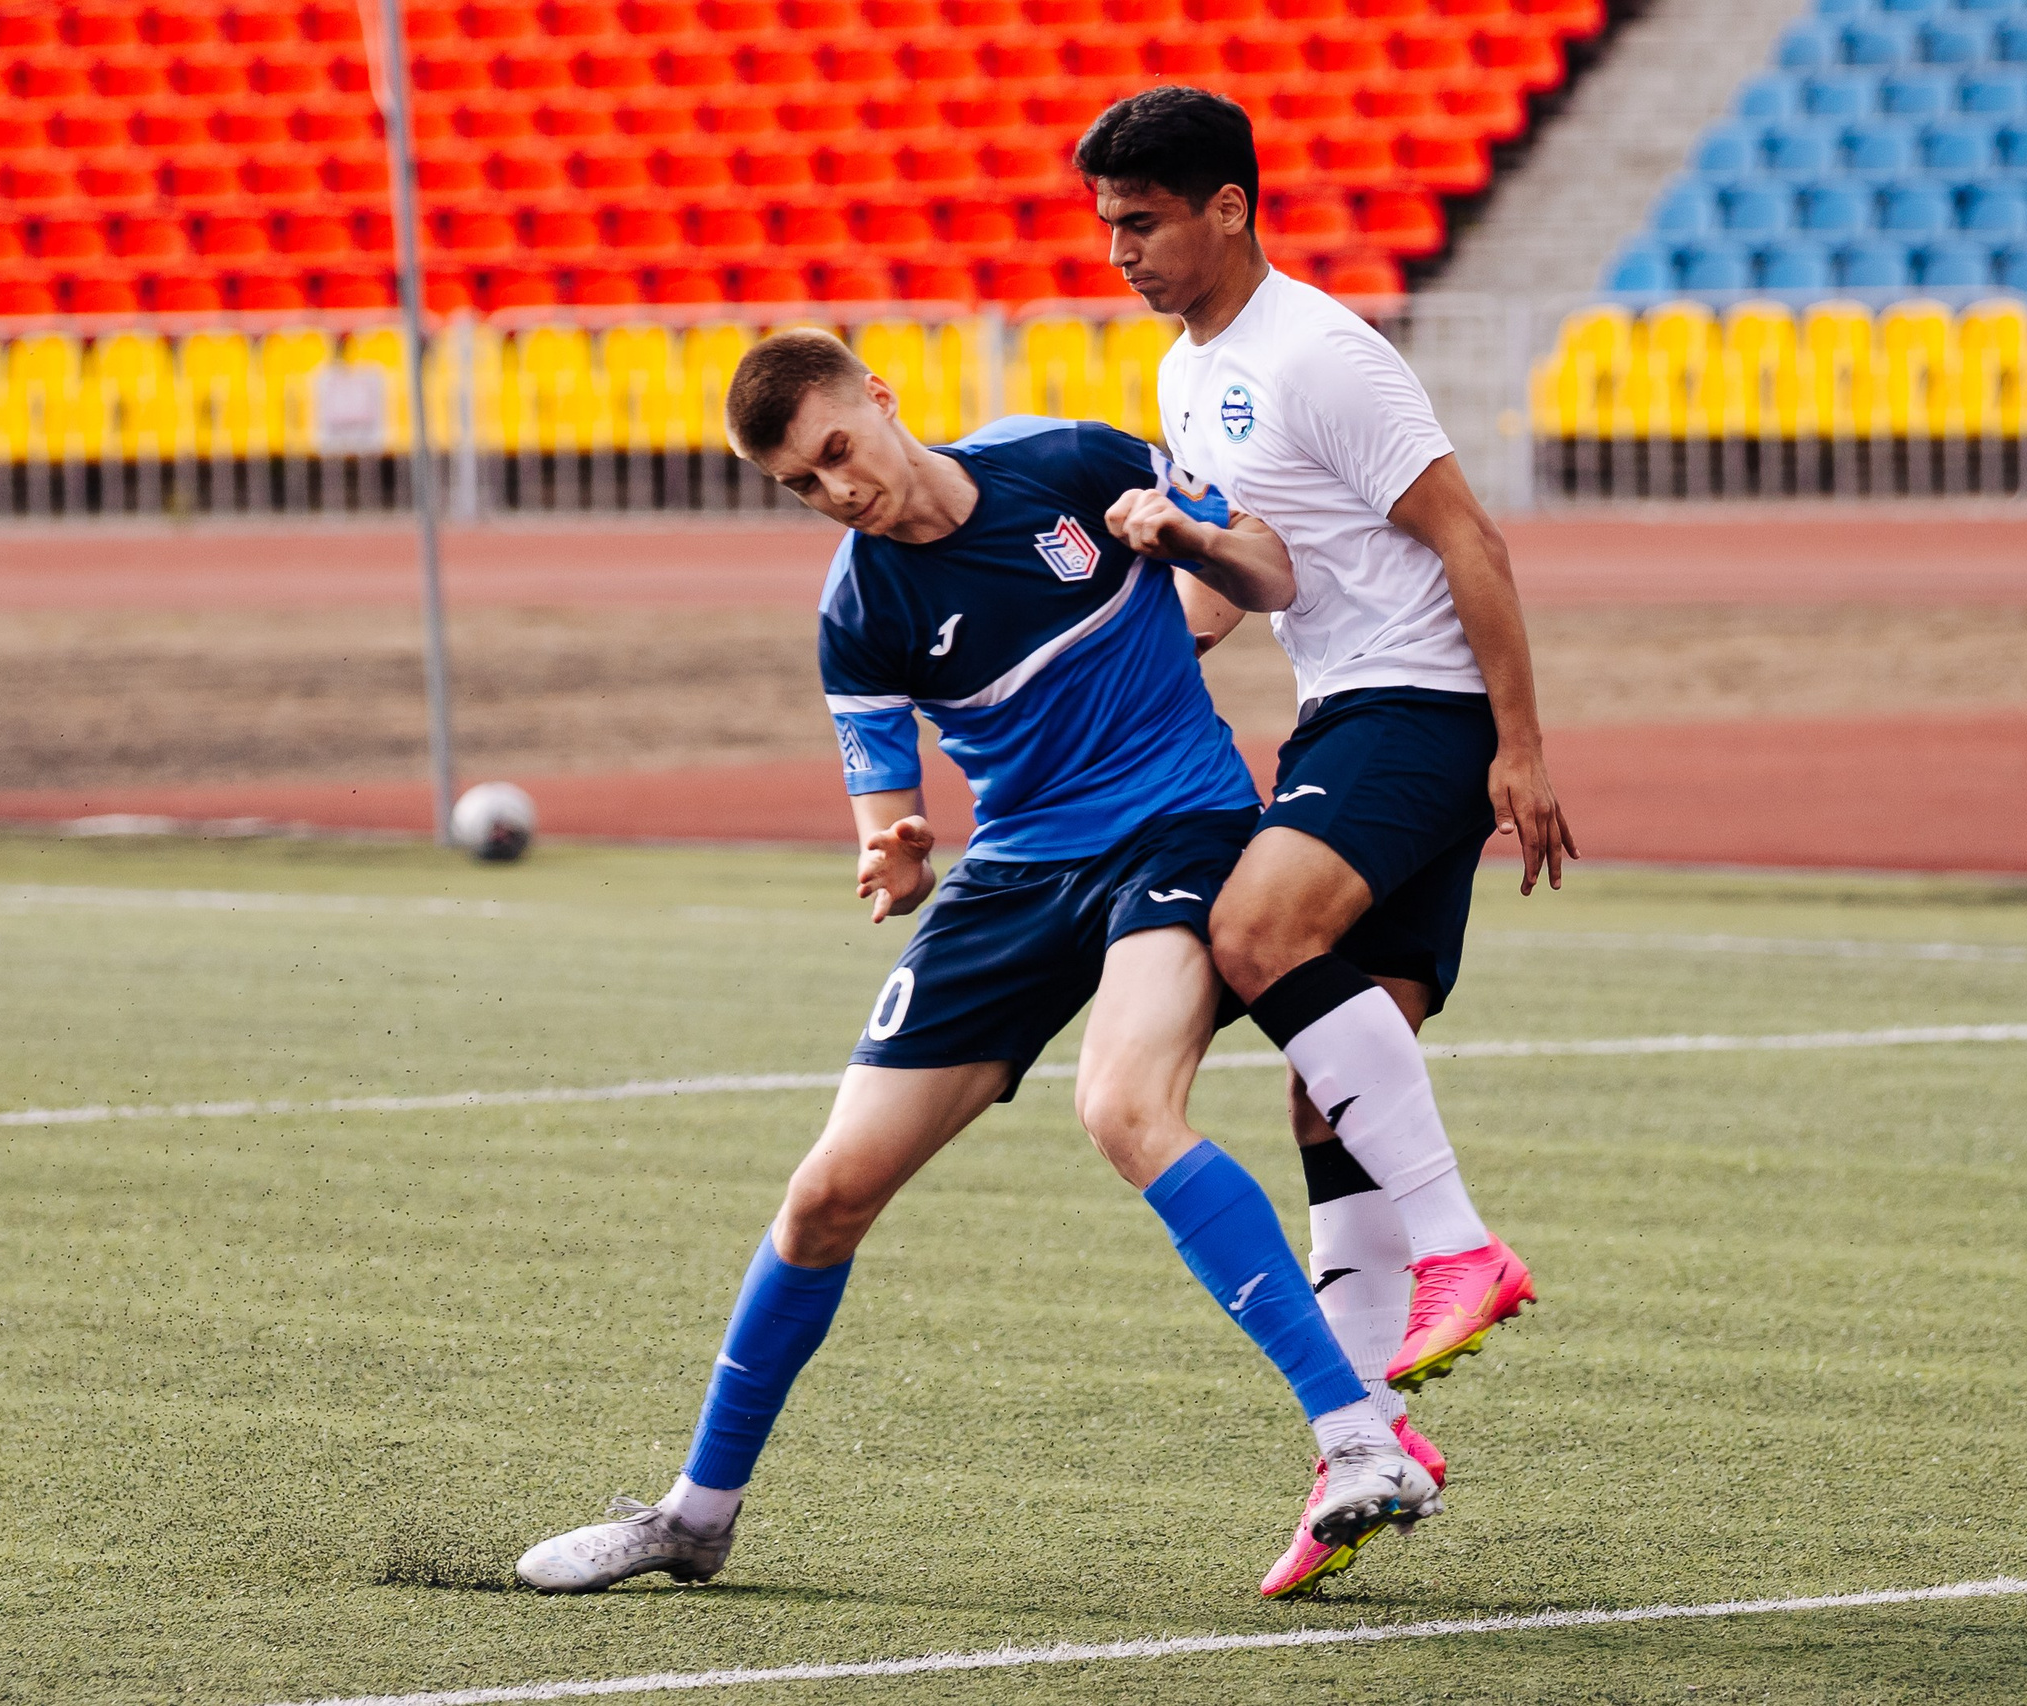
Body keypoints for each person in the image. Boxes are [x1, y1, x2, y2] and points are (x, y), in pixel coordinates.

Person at [515, 330, 1443, 1595]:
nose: (834, 491)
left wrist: (1186, 547)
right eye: (798, 483)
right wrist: (891, 853)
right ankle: (695, 1511)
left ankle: (1353, 1440)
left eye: (835, 452)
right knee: (824, 1193)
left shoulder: (1066, 461)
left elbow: (1261, 569)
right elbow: (887, 818)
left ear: (881, 402)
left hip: (1176, 832)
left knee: (1122, 1106)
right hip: (1010, 875)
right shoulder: (858, 612)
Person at [1080, 86, 1578, 1598]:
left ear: (1228, 205)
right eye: (1107, 224)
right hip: (1345, 715)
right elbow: (1245, 583)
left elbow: (1467, 540)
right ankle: (1365, 1445)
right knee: (1323, 1100)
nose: (1121, 252)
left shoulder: (1321, 352)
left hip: (1416, 712)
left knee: (1251, 931)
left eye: (1143, 221)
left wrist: (1522, 745)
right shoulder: (1182, 373)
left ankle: (1461, 1247)